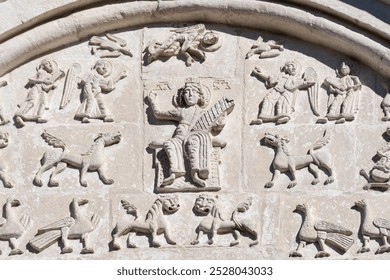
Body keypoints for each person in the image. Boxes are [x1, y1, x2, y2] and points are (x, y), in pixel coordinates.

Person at [148, 80, 234, 188]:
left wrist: (222, 120)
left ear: (200, 96)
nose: (189, 95)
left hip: (195, 137)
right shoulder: (180, 111)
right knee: (170, 143)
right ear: (182, 96)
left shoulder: (204, 114)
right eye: (186, 92)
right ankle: (175, 173)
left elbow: (216, 126)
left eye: (193, 92)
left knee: (193, 141)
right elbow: (158, 114)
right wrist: (152, 101)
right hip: (180, 138)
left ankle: (195, 174)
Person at [14, 60, 64, 127]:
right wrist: (43, 81)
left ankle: (39, 116)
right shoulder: (40, 72)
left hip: (43, 90)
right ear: (42, 66)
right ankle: (19, 116)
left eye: (50, 64)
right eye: (47, 64)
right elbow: (31, 80)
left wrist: (58, 78)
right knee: (32, 102)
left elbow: (49, 86)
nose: (50, 65)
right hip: (36, 87)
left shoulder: (49, 75)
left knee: (43, 102)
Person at [146, 24, 221, 66]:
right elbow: (184, 49)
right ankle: (155, 52)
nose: (210, 39)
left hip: (179, 44)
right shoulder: (195, 34)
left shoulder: (196, 44)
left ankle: (155, 46)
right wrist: (192, 54)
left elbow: (184, 49)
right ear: (208, 33)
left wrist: (190, 55)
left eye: (212, 40)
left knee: (169, 51)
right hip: (176, 38)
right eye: (211, 36)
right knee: (165, 46)